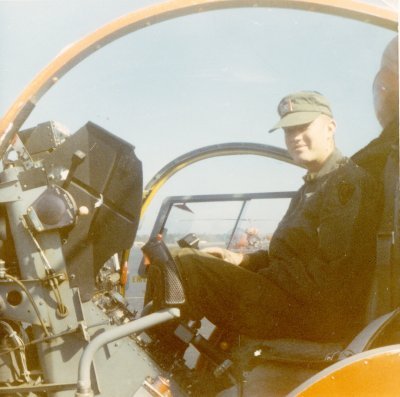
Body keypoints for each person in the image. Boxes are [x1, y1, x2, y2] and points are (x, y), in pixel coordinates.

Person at [147, 89, 379, 346]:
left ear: (330, 127)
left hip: (316, 317)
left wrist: (262, 276)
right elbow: (291, 256)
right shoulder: (312, 186)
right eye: (289, 131)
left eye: (303, 127)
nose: (295, 138)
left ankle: (156, 358)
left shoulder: (346, 185)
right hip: (294, 302)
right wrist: (241, 259)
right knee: (178, 258)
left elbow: (329, 280)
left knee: (189, 268)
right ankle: (158, 354)